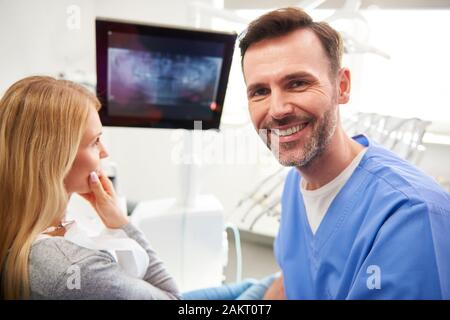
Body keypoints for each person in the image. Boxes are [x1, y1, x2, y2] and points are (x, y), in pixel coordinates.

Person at [239, 7, 450, 299]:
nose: (277, 110)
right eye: (260, 91)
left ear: (342, 86)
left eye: (297, 83)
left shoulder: (410, 215)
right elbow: (290, 282)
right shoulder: (294, 185)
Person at [0, 76, 180, 300]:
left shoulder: (17, 228)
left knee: (239, 290)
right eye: (95, 141)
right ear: (57, 159)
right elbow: (174, 298)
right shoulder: (76, 269)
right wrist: (122, 222)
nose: (104, 152)